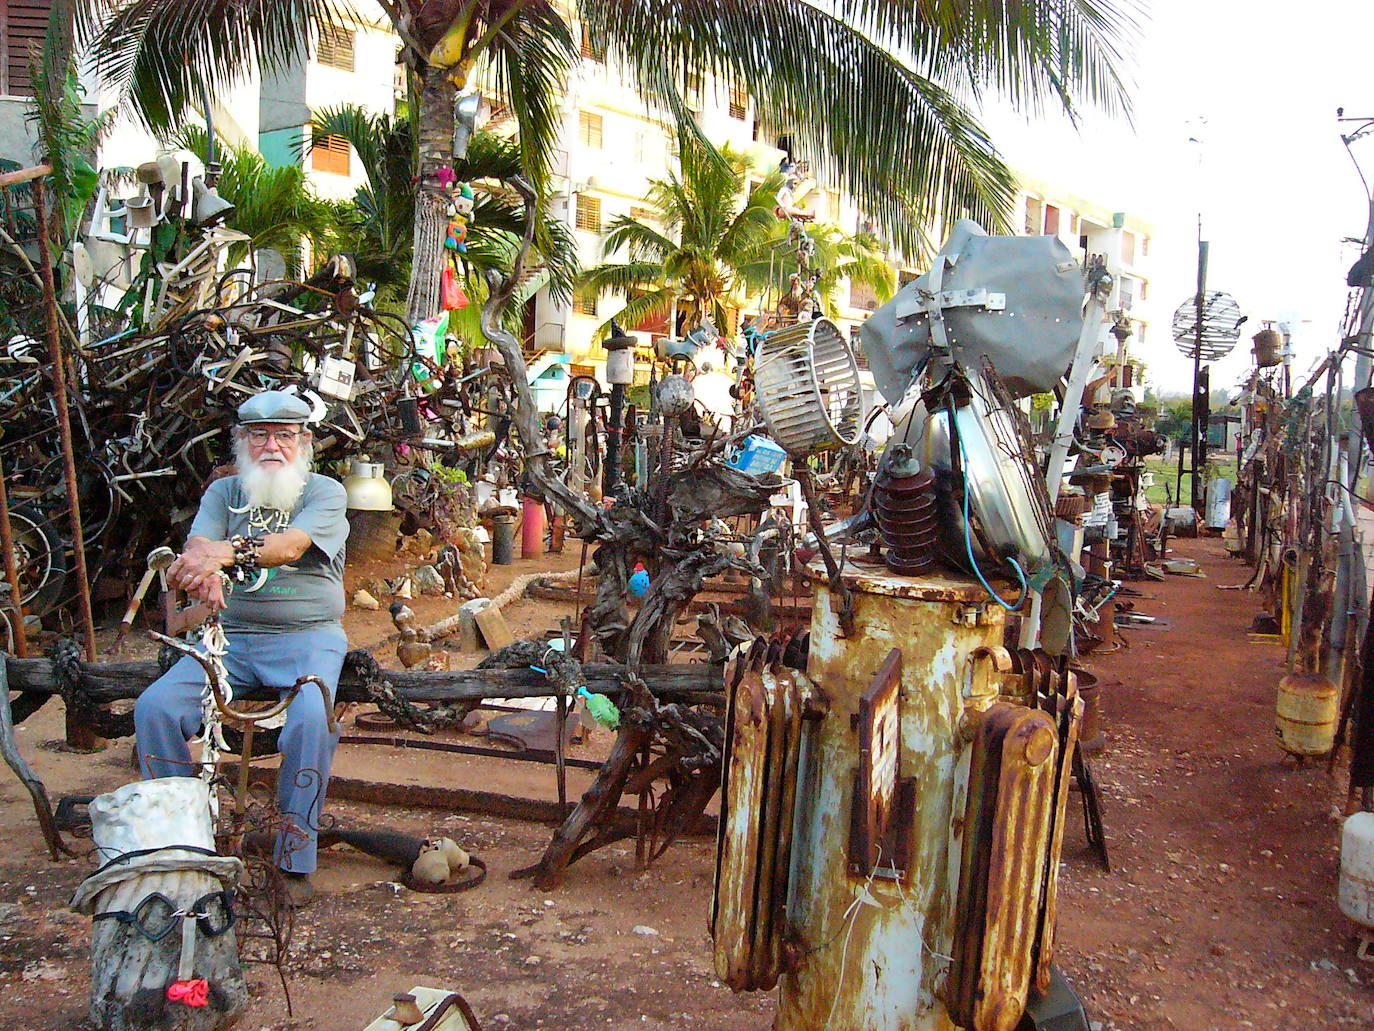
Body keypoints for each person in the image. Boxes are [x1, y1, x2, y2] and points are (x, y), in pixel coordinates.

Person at [134, 390, 350, 905]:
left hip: (308, 637)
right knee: (155, 708)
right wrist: (197, 572)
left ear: (304, 442)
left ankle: (295, 859)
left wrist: (224, 555)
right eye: (258, 435)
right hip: (227, 639)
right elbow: (196, 548)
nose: (270, 446)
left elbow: (291, 546)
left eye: (283, 435)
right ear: (242, 442)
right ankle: (180, 846)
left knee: (309, 722)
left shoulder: (325, 492)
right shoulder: (223, 494)